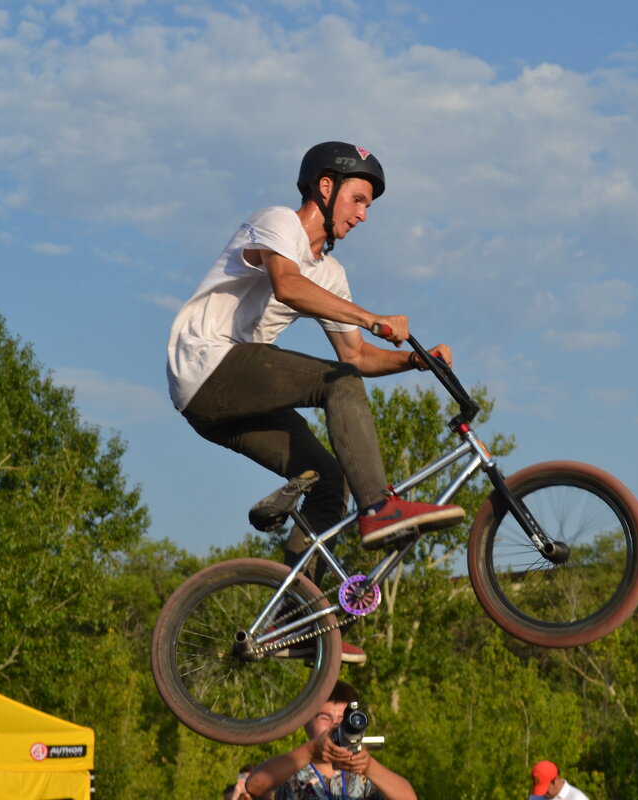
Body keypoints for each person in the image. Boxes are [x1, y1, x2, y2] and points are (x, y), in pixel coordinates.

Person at [166, 142, 465, 663]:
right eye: (358, 199)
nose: (363, 215)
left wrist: (417, 363)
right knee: (338, 383)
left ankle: (293, 625)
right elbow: (286, 286)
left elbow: (356, 355)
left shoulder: (330, 276)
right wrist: (372, 316)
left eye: (368, 206)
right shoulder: (277, 223)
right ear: (325, 188)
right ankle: (381, 509)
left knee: (329, 484)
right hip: (207, 365)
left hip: (220, 407)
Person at [243, 681, 416, 800]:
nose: (335, 726)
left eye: (343, 720)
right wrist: (311, 751)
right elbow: (255, 786)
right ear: (306, 723)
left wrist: (369, 767)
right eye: (325, 718)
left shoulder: (365, 775)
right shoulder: (290, 770)